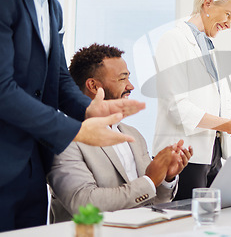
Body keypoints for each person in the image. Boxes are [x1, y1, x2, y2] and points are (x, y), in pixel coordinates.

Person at [0, 0, 145, 231]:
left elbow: (59, 79)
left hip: (32, 171)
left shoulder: (52, 6)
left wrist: (90, 108)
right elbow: (3, 90)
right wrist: (77, 131)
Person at [47, 44, 193, 222]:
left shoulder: (134, 135)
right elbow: (83, 203)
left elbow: (154, 201)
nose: (131, 86)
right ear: (93, 85)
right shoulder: (66, 138)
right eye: (122, 79)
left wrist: (166, 177)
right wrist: (149, 180)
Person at [153, 0, 231, 200]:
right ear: (208, 4)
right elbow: (177, 107)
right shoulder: (173, 40)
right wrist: (230, 125)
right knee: (185, 225)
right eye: (228, 15)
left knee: (213, 220)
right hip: (183, 155)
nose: (229, 24)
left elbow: (223, 101)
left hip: (213, 153)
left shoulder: (212, 50)